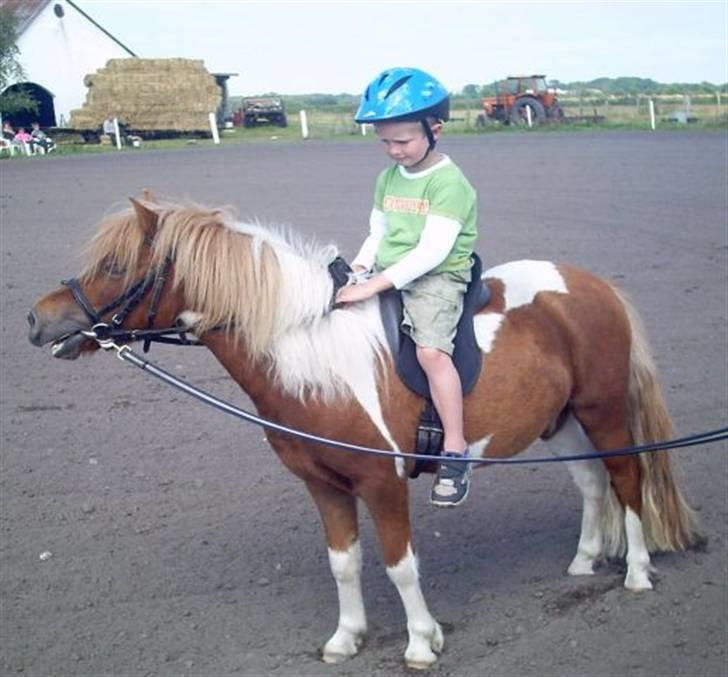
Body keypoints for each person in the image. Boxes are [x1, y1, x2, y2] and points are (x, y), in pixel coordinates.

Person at [336, 67, 479, 508]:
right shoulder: (388, 179)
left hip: (438, 275)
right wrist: (359, 267)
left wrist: (373, 285)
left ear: (435, 130)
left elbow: (432, 251)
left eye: (403, 141)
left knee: (431, 352)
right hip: (391, 268)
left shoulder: (449, 184)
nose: (393, 151)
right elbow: (378, 231)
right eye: (384, 142)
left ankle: (455, 450)